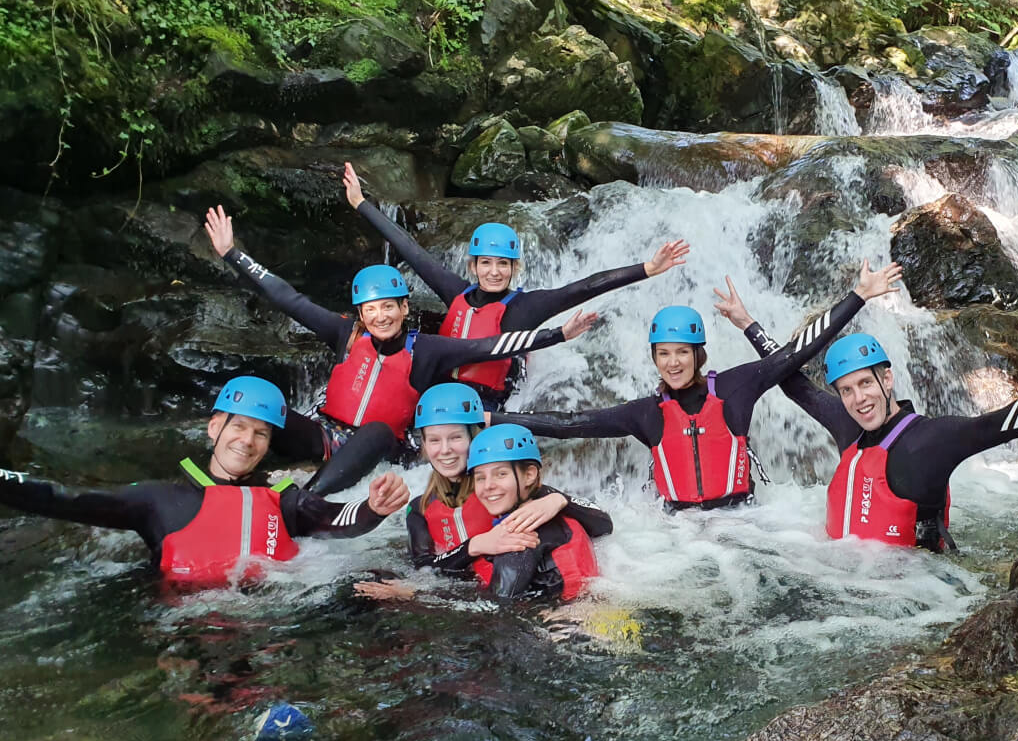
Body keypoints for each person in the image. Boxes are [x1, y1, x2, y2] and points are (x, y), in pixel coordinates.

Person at [712, 276, 1018, 550]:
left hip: (917, 600)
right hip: (844, 588)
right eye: (846, 391)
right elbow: (794, 383)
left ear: (887, 380)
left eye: (865, 384)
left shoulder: (929, 442)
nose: (858, 399)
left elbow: (1006, 423)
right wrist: (748, 323)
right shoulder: (848, 425)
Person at [203, 206, 595, 495]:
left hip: (384, 447)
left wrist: (557, 334)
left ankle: (307, 501)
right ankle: (225, 478)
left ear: (404, 308)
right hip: (327, 436)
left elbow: (489, 347)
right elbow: (288, 298)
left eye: (389, 306)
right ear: (361, 313)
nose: (381, 316)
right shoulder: (345, 335)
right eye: (372, 309)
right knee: (257, 403)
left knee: (372, 432)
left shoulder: (426, 349)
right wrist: (231, 253)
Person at [490, 261, 904, 510]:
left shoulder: (734, 388)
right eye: (664, 353)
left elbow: (796, 352)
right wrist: (492, 417)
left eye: (683, 352)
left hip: (747, 525)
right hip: (679, 535)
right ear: (654, 358)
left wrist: (858, 296)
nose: (673, 362)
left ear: (698, 355)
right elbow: (571, 423)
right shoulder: (645, 413)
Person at [0, 376, 410, 586]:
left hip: (272, 621)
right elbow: (66, 500)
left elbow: (336, 521)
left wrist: (374, 508)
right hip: (187, 630)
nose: (247, 441)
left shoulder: (281, 500)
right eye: (240, 427)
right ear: (215, 427)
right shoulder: (160, 501)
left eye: (261, 434)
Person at [343, 162, 689, 409]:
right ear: (473, 266)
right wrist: (361, 204)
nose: (494, 272)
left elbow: (583, 287)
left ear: (514, 268)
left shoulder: (526, 307)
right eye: (487, 264)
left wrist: (647, 268)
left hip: (487, 403)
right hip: (439, 391)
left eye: (503, 265)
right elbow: (410, 249)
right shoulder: (456, 292)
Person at [355, 387, 611, 603]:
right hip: (474, 581)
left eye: (455, 437)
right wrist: (474, 546)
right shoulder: (419, 508)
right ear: (423, 446)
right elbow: (424, 566)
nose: (445, 451)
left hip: (512, 586)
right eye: (434, 441)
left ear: (475, 437)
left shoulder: (503, 488)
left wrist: (559, 499)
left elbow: (603, 524)